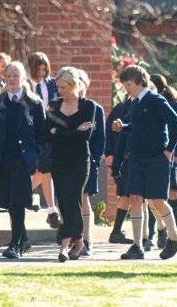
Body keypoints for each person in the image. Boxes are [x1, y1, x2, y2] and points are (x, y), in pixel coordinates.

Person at [112, 65, 177, 260]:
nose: (126, 89)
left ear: (139, 82)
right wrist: (123, 127)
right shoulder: (135, 102)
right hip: (137, 158)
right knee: (135, 198)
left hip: (156, 159)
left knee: (157, 201)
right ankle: (137, 246)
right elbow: (139, 127)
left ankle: (175, 236)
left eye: (128, 85)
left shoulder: (156, 99)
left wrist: (169, 150)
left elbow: (176, 123)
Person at [0, 61, 46, 259]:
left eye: (16, 76)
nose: (12, 79)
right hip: (2, 158)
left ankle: (15, 245)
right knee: (9, 201)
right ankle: (24, 239)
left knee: (18, 200)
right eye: (8, 76)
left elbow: (41, 133)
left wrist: (36, 155)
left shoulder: (34, 103)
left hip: (23, 159)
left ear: (23, 78)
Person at [46, 67, 95, 262]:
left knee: (73, 199)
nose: (60, 91)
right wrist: (73, 132)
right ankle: (80, 241)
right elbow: (46, 132)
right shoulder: (53, 106)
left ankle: (64, 245)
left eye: (63, 87)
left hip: (79, 161)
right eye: (58, 87)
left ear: (74, 85)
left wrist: (58, 132)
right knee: (63, 201)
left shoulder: (88, 106)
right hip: (59, 160)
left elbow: (85, 136)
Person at [147, 74, 177, 249]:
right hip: (155, 154)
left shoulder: (173, 104)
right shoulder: (148, 103)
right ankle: (155, 232)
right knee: (153, 195)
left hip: (171, 154)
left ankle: (175, 231)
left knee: (172, 192)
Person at [27, 52, 60, 229]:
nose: (41, 73)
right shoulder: (25, 84)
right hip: (31, 132)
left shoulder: (52, 84)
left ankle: (51, 209)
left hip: (50, 131)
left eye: (44, 69)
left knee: (46, 169)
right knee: (42, 169)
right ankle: (26, 194)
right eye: (38, 69)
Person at [77, 69, 105, 256]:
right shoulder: (62, 106)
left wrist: (95, 159)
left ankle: (87, 239)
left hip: (88, 160)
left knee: (84, 197)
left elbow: (100, 138)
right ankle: (73, 237)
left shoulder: (95, 109)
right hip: (67, 161)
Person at [105, 98, 134, 245]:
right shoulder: (121, 108)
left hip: (130, 158)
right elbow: (108, 131)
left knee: (127, 195)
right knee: (126, 194)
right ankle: (117, 232)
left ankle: (117, 231)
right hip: (122, 158)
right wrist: (109, 153)